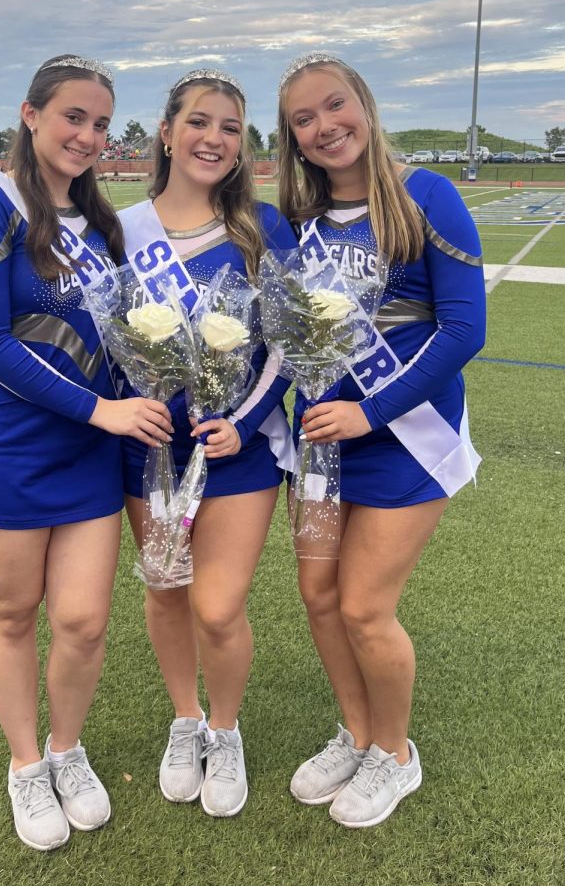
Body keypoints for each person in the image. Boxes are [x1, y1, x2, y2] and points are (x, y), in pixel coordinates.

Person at [0, 55, 173, 851]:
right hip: (6, 448)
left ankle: (67, 749)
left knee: (83, 621)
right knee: (11, 615)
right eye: (74, 116)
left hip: (87, 457)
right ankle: (26, 764)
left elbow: (123, 337)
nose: (89, 136)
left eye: (102, 124)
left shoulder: (102, 223)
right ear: (31, 114)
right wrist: (101, 410)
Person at [276, 52, 486, 828]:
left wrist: (370, 412)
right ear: (293, 138)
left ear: (363, 105)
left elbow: (465, 330)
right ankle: (357, 732)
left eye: (335, 107)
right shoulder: (294, 224)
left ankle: (395, 754)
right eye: (305, 119)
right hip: (322, 446)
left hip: (404, 438)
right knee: (319, 599)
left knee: (365, 607)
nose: (326, 126)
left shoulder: (426, 195)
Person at [119, 69, 297, 818]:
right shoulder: (120, 229)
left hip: (237, 450)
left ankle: (225, 730)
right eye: (199, 122)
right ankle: (185, 716)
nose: (214, 138)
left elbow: (290, 344)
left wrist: (245, 421)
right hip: (150, 447)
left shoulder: (263, 226)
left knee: (218, 607)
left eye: (230, 127)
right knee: (167, 591)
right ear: (167, 132)